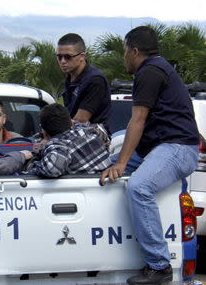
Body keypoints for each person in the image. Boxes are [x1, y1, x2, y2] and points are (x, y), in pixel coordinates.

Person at [100, 26, 199, 285]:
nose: (123, 58)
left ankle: (159, 264)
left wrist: (122, 162)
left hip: (177, 148)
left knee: (139, 186)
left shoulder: (150, 71)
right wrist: (115, 162)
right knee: (102, 169)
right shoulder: (158, 67)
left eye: (124, 52)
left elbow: (138, 120)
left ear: (134, 51)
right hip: (158, 148)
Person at [26, 103, 111, 177]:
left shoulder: (58, 146)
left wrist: (32, 165)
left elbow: (52, 169)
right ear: (70, 122)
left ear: (44, 132)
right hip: (106, 183)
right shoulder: (89, 131)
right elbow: (102, 133)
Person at [57, 33, 111, 131]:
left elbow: (80, 119)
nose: (63, 61)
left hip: (93, 138)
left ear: (82, 56)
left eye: (68, 57)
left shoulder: (95, 80)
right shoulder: (70, 78)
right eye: (59, 57)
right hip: (74, 134)